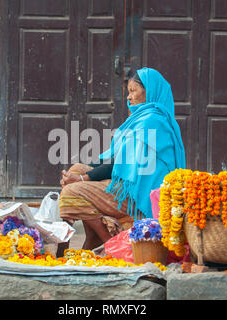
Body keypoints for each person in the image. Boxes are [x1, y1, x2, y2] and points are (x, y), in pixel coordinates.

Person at [56, 67, 186, 257]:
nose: (129, 97)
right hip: (131, 187)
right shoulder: (149, 117)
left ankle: (112, 245)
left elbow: (118, 167)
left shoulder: (151, 121)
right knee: (76, 168)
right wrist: (79, 174)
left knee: (70, 192)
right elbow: (120, 164)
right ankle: (91, 239)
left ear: (149, 92)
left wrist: (82, 179)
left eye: (133, 91)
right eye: (129, 92)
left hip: (139, 199)